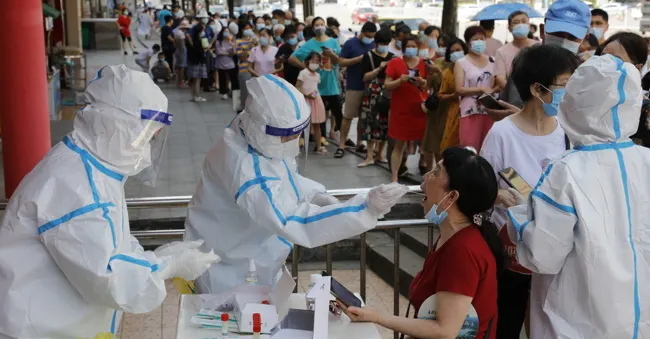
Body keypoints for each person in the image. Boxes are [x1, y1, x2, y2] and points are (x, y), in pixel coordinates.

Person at [0, 65, 219, 339]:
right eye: (146, 135)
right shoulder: (76, 186)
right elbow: (110, 280)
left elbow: (112, 242)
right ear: (113, 123)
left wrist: (155, 257)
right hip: (36, 328)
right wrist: (167, 264)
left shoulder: (93, 167)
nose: (148, 146)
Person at [183, 75, 408, 293]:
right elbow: (291, 219)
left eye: (296, 134)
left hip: (252, 258)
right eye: (285, 136)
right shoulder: (246, 168)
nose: (292, 142)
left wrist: (323, 199)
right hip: (228, 272)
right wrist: (363, 209)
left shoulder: (247, 130)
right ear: (259, 126)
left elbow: (285, 179)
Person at [505, 54, 650, 339]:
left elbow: (543, 255)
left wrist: (520, 214)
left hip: (577, 321)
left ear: (576, 102)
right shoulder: (646, 161)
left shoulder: (566, 171)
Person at [340, 147, 502, 339]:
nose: (426, 176)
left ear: (451, 197)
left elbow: (445, 331)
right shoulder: (451, 237)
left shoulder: (463, 251)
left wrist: (377, 316)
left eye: (436, 172)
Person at [481, 44, 579, 339]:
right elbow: (483, 191)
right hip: (511, 256)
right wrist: (497, 196)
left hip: (557, 257)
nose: (569, 93)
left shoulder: (568, 132)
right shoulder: (502, 134)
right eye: (564, 85)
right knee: (507, 325)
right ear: (537, 89)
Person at [384, 35, 430, 182]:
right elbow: (387, 84)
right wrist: (400, 80)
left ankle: (430, 176)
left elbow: (429, 86)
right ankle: (394, 178)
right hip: (401, 110)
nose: (411, 49)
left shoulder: (424, 64)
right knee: (399, 145)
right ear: (403, 48)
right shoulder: (395, 63)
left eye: (413, 46)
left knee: (426, 145)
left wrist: (422, 82)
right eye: (408, 46)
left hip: (420, 110)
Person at [289, 17, 343, 140]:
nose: (319, 27)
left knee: (338, 113)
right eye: (317, 25)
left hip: (332, 83)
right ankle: (321, 138)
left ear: (325, 26)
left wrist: (331, 55)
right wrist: (305, 68)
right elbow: (292, 58)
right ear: (313, 28)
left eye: (321, 24)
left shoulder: (334, 42)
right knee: (320, 114)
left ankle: (343, 138)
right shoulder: (309, 44)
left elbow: (340, 60)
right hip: (316, 86)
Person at [335, 22, 378, 158]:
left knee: (363, 117)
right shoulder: (350, 44)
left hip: (370, 87)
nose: (369, 39)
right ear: (362, 32)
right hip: (354, 85)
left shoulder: (374, 45)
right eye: (367, 36)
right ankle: (341, 144)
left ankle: (361, 143)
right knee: (348, 116)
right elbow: (341, 62)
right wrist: (358, 59)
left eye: (372, 37)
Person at [424, 38, 467, 171]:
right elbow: (433, 87)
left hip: (462, 110)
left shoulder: (469, 67)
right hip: (441, 109)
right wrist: (432, 73)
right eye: (452, 51)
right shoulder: (442, 65)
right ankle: (440, 171)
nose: (455, 53)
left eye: (458, 50)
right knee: (438, 143)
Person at [455, 26, 497, 152]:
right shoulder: (461, 62)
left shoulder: (493, 61)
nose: (480, 41)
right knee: (470, 148)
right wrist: (480, 90)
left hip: (490, 109)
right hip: (470, 110)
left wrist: (492, 90)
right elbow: (459, 89)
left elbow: (497, 85)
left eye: (482, 38)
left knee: (489, 148)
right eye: (475, 39)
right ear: (468, 42)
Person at [358, 28, 395, 167]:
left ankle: (380, 153)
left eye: (386, 43)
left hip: (387, 92)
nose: (383, 45)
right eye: (381, 43)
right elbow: (365, 76)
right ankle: (369, 155)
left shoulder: (393, 57)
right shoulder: (368, 56)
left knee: (385, 123)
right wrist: (379, 68)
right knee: (370, 122)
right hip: (372, 92)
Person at [495, 11, 539, 91]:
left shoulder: (539, 47)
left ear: (529, 26)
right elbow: (500, 78)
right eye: (516, 22)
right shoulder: (501, 52)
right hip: (513, 98)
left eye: (524, 21)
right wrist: (515, 95)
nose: (520, 24)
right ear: (509, 28)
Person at [297, 52, 328, 155]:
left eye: (317, 61)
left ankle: (318, 146)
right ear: (307, 61)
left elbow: (315, 86)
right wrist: (306, 95)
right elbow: (298, 87)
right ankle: (295, 147)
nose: (315, 63)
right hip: (305, 100)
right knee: (301, 125)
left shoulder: (318, 75)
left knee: (317, 124)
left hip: (316, 100)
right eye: (313, 61)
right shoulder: (303, 73)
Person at [215, 26, 240, 100]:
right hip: (221, 63)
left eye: (228, 32)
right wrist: (227, 54)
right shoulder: (218, 42)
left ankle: (234, 92)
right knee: (222, 78)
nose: (226, 33)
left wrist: (232, 46)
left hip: (230, 63)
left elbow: (234, 53)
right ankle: (224, 92)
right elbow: (218, 52)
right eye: (225, 31)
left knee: (234, 78)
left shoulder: (231, 41)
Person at [235, 22, 255, 112]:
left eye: (249, 28)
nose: (248, 30)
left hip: (255, 69)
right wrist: (247, 48)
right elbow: (242, 57)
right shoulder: (238, 42)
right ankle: (244, 108)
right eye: (245, 29)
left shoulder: (255, 40)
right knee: (245, 91)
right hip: (244, 68)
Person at [188, 22, 209, 102]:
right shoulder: (200, 40)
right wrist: (205, 49)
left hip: (193, 60)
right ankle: (197, 95)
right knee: (197, 79)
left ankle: (193, 95)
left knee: (194, 79)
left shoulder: (193, 39)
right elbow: (202, 50)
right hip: (199, 61)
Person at [173, 19, 191, 88]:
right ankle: (181, 81)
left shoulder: (177, 32)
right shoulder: (181, 34)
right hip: (182, 51)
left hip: (178, 50)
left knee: (179, 66)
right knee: (182, 66)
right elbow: (182, 44)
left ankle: (178, 81)